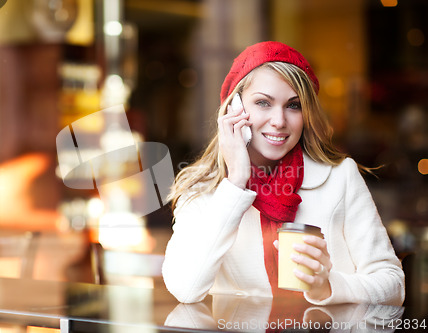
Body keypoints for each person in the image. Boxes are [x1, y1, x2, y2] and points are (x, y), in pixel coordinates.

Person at [162, 41, 405, 306]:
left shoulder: (339, 177)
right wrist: (235, 182)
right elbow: (185, 289)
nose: (279, 121)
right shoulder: (202, 191)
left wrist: (328, 286)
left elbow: (393, 284)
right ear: (234, 109)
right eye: (263, 103)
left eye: (293, 105)